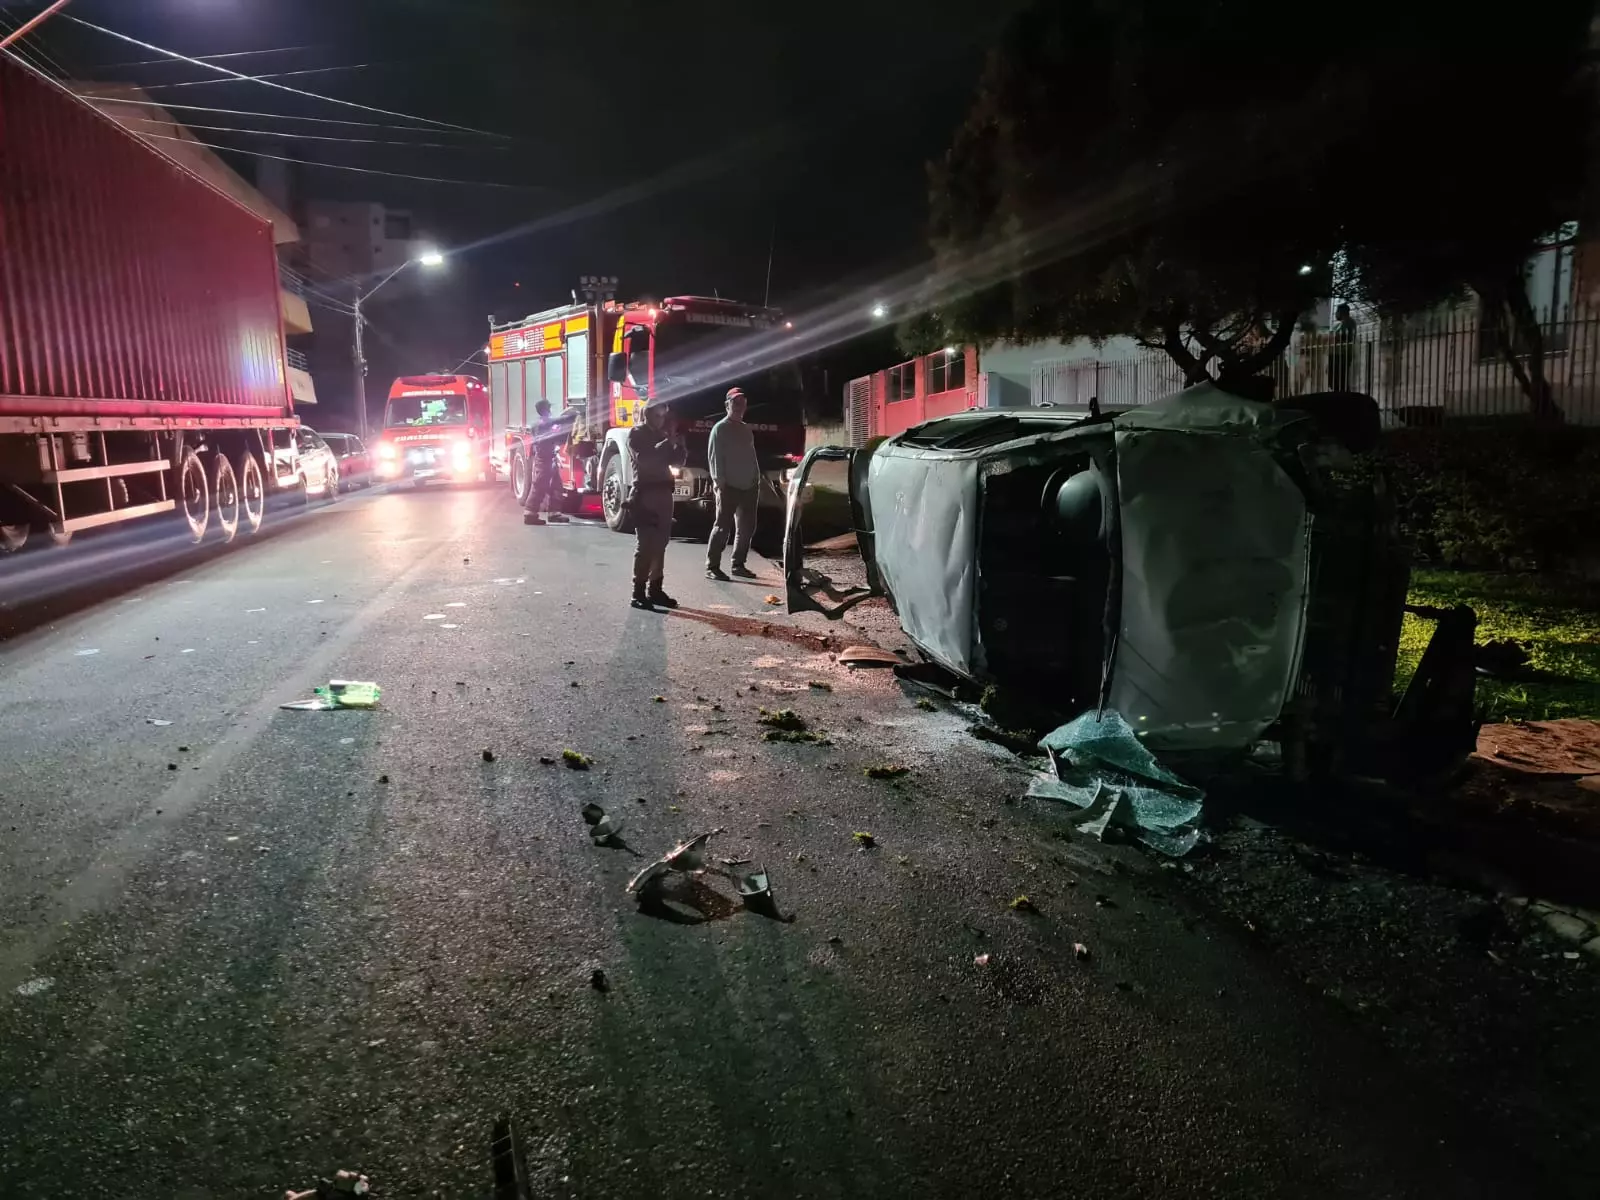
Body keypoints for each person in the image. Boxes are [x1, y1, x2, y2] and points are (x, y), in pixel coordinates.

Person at [627, 400, 685, 610]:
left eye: (664, 416)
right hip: (646, 493)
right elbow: (645, 459)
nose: (662, 419)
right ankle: (638, 592)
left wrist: (678, 444)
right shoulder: (637, 434)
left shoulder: (662, 435)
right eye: (659, 415)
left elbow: (678, 462)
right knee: (646, 544)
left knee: (661, 542)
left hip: (664, 493)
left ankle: (656, 589)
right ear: (648, 414)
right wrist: (666, 443)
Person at [705, 387, 761, 581]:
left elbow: (751, 455)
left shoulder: (745, 429)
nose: (739, 406)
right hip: (728, 486)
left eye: (742, 403)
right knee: (722, 527)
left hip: (749, 486)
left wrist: (756, 477)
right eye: (735, 403)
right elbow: (715, 458)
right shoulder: (720, 429)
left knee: (747, 527)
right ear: (727, 405)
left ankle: (738, 564)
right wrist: (719, 483)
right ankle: (712, 566)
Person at [522, 399, 570, 526]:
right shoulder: (543, 424)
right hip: (545, 459)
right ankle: (530, 514)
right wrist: (568, 419)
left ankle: (554, 513)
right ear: (545, 410)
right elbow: (556, 437)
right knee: (539, 486)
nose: (550, 410)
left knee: (556, 485)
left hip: (548, 458)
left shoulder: (539, 424)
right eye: (549, 408)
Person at [1328, 302, 1358, 391]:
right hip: (1336, 353)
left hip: (1341, 354)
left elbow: (1340, 338)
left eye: (1337, 311)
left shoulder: (1348, 322)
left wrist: (1331, 338)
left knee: (1339, 379)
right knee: (1335, 380)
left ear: (1342, 312)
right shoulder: (1340, 324)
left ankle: (1342, 397)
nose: (1336, 314)